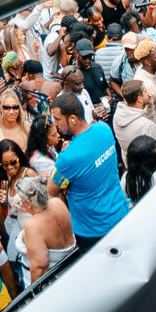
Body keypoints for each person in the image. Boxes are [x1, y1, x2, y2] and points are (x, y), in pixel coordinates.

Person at [51, 92, 129, 248]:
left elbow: (51, 190)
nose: (54, 124)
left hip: (93, 231)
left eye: (57, 119)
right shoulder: (104, 129)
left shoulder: (67, 158)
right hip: (120, 214)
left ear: (72, 119)